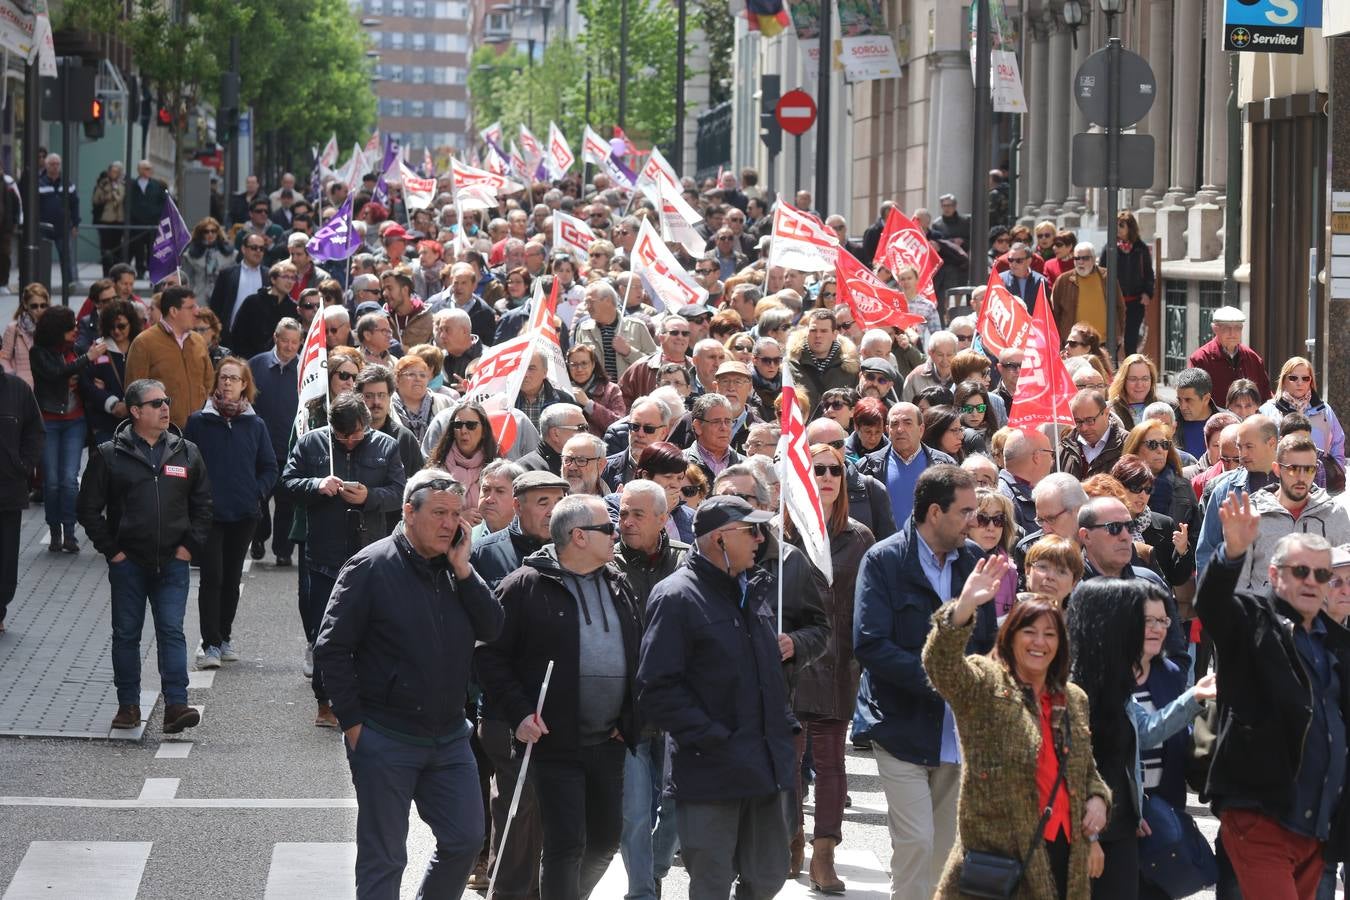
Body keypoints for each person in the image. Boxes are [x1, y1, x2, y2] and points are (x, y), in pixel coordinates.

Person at [315, 468, 504, 900]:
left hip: (450, 736)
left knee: (465, 839)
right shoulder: (370, 566)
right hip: (385, 735)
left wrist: (464, 570)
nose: (449, 524)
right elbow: (332, 648)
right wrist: (354, 725)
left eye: (456, 514)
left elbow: (493, 627)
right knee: (385, 858)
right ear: (408, 512)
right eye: (438, 513)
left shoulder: (458, 568)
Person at [476, 494, 642, 900]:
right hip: (554, 743)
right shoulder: (523, 587)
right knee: (565, 845)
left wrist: (632, 719)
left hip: (609, 741)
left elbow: (638, 653)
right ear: (579, 536)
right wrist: (519, 714)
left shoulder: (618, 582)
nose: (616, 534)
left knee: (604, 841)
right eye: (608, 528)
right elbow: (488, 656)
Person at [637, 495, 794, 899]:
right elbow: (657, 689)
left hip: (763, 764)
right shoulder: (676, 597)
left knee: (769, 876)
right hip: (711, 770)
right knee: (711, 883)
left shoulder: (752, 588)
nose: (761, 539)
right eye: (751, 531)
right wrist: (713, 736)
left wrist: (781, 725)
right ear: (720, 540)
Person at [853, 465, 998, 900]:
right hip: (900, 726)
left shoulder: (973, 561)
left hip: (956, 734)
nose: (974, 522)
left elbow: (987, 640)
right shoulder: (883, 560)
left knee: (947, 855)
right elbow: (869, 644)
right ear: (935, 512)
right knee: (915, 843)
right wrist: (941, 678)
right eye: (966, 511)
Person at [922, 571, 1110, 899]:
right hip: (1000, 868)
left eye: (1050, 634)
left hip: (1067, 858)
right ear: (1010, 636)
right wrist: (963, 608)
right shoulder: (987, 684)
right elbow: (941, 666)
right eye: (1030, 631)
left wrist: (1097, 800)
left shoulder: (1073, 697)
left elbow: (1084, 769)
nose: (1040, 642)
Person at [1199, 492, 1350, 898]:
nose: (1311, 582)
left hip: (1318, 826)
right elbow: (1211, 605)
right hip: (1260, 815)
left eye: (1321, 575)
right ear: (1274, 572)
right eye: (1300, 571)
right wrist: (1230, 553)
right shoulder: (1253, 618)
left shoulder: (1336, 642)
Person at [77, 378, 212, 733]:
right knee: (126, 634)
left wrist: (188, 548)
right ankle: (128, 706)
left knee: (171, 631)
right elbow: (88, 509)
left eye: (166, 401)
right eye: (156, 403)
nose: (165, 407)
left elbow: (203, 506)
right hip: (129, 564)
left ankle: (176, 706)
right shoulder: (109, 454)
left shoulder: (187, 452)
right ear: (135, 411)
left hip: (172, 562)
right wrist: (113, 552)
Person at [1067, 578, 1214, 900]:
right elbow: (1076, 766)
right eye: (1139, 619)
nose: (1152, 629)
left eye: (1162, 620)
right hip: (1086, 831)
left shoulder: (1116, 680)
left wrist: (1194, 697)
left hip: (1123, 826)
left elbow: (1144, 732)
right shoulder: (1073, 687)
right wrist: (1091, 838)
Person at [283, 392, 407, 727]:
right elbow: (288, 482)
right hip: (324, 555)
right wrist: (316, 484)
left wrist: (370, 497)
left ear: (366, 426)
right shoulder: (312, 444)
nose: (349, 443)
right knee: (326, 630)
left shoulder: (385, 446)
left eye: (356, 436)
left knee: (372, 629)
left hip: (370, 554)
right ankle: (324, 701)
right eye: (341, 437)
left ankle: (368, 697)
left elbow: (400, 492)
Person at [785, 443, 876, 892]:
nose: (825, 477)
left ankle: (824, 854)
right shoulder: (780, 533)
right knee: (787, 759)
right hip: (789, 661)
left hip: (838, 661)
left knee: (831, 763)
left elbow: (870, 603)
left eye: (834, 470)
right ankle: (791, 839)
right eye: (816, 469)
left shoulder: (858, 536)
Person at [611, 478, 688, 900]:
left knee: (679, 806)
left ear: (663, 519)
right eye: (622, 512)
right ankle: (642, 891)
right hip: (627, 710)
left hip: (677, 708)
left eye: (637, 514)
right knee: (635, 813)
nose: (626, 522)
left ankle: (654, 868)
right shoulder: (606, 564)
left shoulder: (687, 563)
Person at [183, 357, 277, 668]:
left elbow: (269, 466)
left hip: (244, 514)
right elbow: (185, 464)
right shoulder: (199, 421)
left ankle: (224, 637)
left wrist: (257, 492)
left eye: (234, 378)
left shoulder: (255, 424)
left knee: (231, 578)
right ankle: (209, 643)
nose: (227, 383)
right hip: (208, 515)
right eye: (223, 377)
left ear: (244, 385)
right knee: (212, 576)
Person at [1234, 433, 1350, 592]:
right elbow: (1237, 585)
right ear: (1276, 469)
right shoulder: (1250, 516)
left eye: (1309, 469)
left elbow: (1345, 581)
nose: (1301, 477)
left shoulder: (1335, 514)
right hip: (1265, 614)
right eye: (1293, 469)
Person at [31, 305, 104, 552]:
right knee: (51, 482)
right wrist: (86, 360)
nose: (75, 329)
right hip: (49, 421)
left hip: (75, 421)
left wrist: (94, 378)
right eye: (70, 326)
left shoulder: (76, 350)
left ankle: (70, 532)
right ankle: (54, 529)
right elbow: (56, 373)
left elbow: (83, 377)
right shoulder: (39, 353)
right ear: (56, 330)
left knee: (69, 480)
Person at [247, 318, 302, 565]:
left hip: (292, 448)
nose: (290, 347)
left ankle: (283, 550)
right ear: (275, 338)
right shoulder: (256, 365)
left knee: (287, 503)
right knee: (258, 497)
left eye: (295, 342)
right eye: (285, 340)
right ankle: (258, 537)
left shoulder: (305, 369)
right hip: (260, 447)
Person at [125, 287, 217, 430]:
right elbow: (134, 394)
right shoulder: (144, 343)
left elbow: (209, 383)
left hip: (199, 431)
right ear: (174, 311)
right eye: (191, 307)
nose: (197, 312)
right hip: (162, 435)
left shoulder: (198, 341)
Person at [857, 401, 957, 526]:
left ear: (921, 429)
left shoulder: (946, 466)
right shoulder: (866, 467)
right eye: (894, 424)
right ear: (888, 430)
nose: (900, 429)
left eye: (908, 423)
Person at [0, 360, 43, 632]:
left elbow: (35, 432)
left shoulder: (17, 390)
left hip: (8, 488)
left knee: (5, 558)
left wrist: (23, 466)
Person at [1111, 454, 1195, 589]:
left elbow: (1176, 578)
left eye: (1148, 489)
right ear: (1118, 487)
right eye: (1135, 488)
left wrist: (1182, 551)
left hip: (1156, 603)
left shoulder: (1164, 524)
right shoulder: (1105, 524)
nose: (1142, 495)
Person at [1260, 356, 1346, 467]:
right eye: (1293, 378)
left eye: (1305, 378)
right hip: (1278, 478)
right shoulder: (1267, 411)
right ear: (1284, 381)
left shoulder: (1324, 410)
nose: (1299, 383)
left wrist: (1336, 474)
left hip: (1319, 478)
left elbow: (1337, 444)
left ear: (1311, 381)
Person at [573, 281, 656, 380]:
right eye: (586, 303)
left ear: (607, 300)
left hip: (629, 393)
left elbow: (654, 365)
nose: (587, 307)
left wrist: (629, 352)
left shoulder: (637, 327)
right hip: (595, 393)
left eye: (590, 302)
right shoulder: (584, 329)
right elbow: (576, 363)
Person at [1187, 306, 1271, 404]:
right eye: (1226, 328)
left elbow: (1266, 394)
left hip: (1248, 418)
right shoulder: (1200, 359)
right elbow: (1191, 397)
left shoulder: (1253, 358)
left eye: (1237, 328)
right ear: (1215, 329)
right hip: (1214, 418)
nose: (1232, 333)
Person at [1100, 211, 1154, 355]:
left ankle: (1130, 371)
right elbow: (1102, 272)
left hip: (1135, 303)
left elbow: (1149, 273)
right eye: (1116, 225)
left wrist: (1147, 293)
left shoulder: (1140, 248)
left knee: (1131, 339)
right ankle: (1113, 371)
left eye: (1121, 225)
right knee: (1113, 340)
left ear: (1130, 227)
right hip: (1114, 303)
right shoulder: (1109, 248)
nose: (1118, 229)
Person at [1050, 241, 1124, 344]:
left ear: (1093, 259)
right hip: (1075, 344)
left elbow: (1120, 307)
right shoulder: (1063, 280)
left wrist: (1119, 333)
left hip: (1104, 343)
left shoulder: (1107, 277)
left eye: (1085, 258)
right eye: (1077, 258)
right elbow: (1054, 311)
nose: (1080, 262)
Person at [1060, 389, 1127, 479]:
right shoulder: (1064, 449)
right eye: (1078, 421)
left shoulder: (1127, 444)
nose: (1084, 428)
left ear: (1106, 413)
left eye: (1090, 420)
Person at [390, 353, 451, 446]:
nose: (418, 379)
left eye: (422, 375)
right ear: (397, 380)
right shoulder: (387, 406)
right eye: (411, 374)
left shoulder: (446, 403)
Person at [566, 343, 627, 437]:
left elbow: (619, 425)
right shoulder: (562, 390)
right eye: (574, 365)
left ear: (593, 364)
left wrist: (589, 404)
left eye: (584, 363)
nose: (579, 369)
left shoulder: (611, 390)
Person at [37, 153, 80, 286]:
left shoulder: (68, 183)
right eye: (52, 164)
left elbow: (75, 204)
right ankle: (41, 283)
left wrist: (75, 224)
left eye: (57, 164)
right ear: (46, 165)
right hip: (44, 227)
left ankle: (69, 284)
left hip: (63, 227)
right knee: (42, 257)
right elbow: (34, 205)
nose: (55, 167)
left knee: (66, 256)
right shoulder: (39, 182)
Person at [1, 283, 49, 387]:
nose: (39, 310)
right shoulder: (13, 329)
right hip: (21, 388)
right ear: (26, 305)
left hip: (46, 389)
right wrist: (12, 377)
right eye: (34, 306)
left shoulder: (52, 328)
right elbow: (4, 358)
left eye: (43, 305)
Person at [128, 160, 169, 278]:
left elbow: (164, 202)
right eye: (146, 168)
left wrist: (156, 214)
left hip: (153, 224)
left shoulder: (158, 185)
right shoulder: (132, 185)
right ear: (139, 170)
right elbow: (128, 203)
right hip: (136, 224)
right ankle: (139, 271)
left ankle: (153, 272)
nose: (150, 171)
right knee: (138, 248)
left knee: (153, 248)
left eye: (150, 168)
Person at [180, 217, 236, 301]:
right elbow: (187, 281)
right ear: (201, 233)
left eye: (213, 231)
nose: (210, 234)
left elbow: (234, 280)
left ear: (218, 232)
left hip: (223, 298)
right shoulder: (190, 256)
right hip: (199, 297)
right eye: (206, 231)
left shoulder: (231, 254)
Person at [92, 162, 127, 274]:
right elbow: (96, 199)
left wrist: (112, 192)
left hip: (119, 220)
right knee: (106, 248)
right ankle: (106, 272)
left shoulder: (122, 184)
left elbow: (119, 198)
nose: (114, 174)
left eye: (117, 172)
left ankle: (117, 272)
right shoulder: (102, 184)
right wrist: (105, 192)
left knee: (117, 248)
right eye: (112, 171)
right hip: (105, 219)